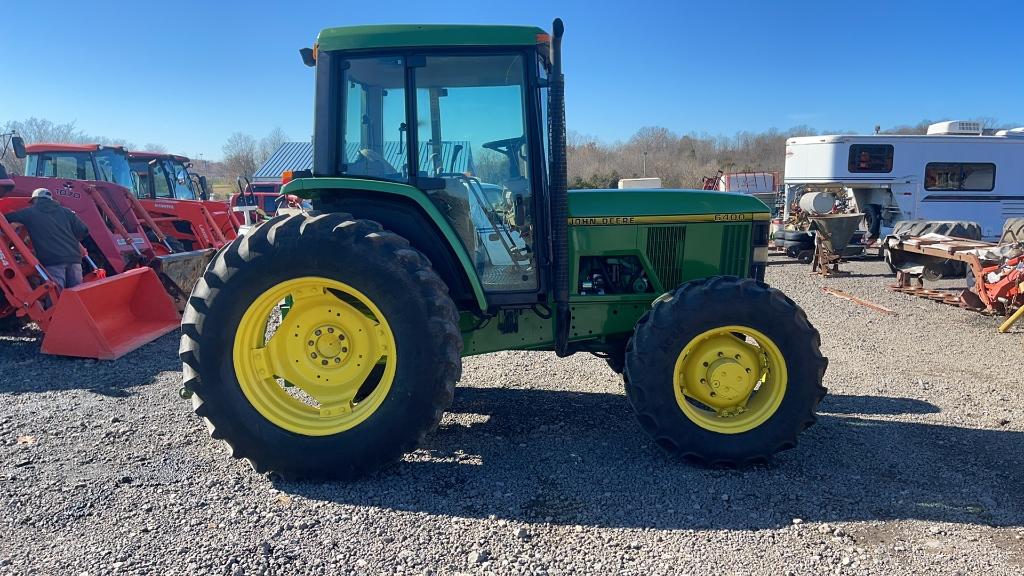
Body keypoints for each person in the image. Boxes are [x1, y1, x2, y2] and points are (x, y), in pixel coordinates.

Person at [6, 188, 89, 290]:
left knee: (56, 295)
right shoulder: (66, 212)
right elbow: (83, 231)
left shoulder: (30, 212)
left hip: (53, 261)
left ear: (35, 200)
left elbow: (6, 218)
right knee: (77, 293)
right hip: (74, 259)